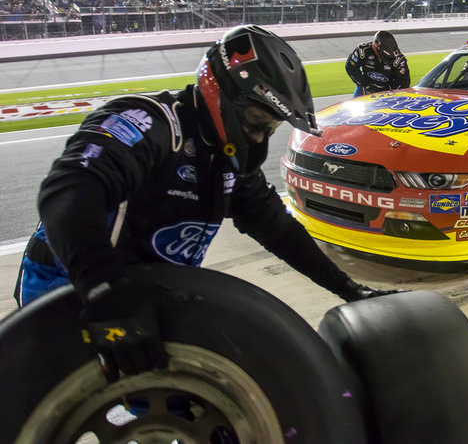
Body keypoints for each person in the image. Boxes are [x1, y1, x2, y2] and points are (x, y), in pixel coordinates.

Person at [15, 25, 401, 382]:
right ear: (222, 92)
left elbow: (276, 227)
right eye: (255, 119)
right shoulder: (150, 122)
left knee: (192, 393)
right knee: (59, 401)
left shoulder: (229, 157)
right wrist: (103, 288)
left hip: (143, 283)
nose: (259, 136)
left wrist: (349, 289)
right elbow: (68, 189)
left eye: (270, 128)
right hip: (72, 277)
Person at [345, 30, 410, 97]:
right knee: (356, 104)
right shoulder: (363, 51)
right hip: (365, 87)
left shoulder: (398, 60)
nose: (388, 59)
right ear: (376, 46)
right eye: (385, 56)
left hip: (387, 91)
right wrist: (364, 84)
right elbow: (350, 67)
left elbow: (404, 82)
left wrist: (391, 91)